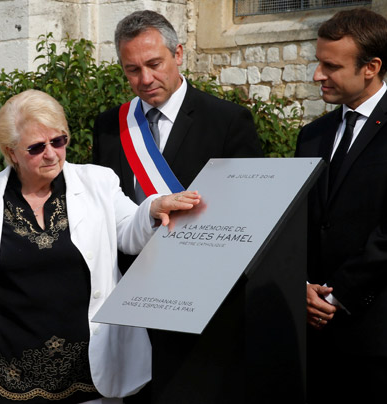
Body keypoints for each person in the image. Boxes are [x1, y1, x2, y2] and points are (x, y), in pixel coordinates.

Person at [0, 89, 200, 404]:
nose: (51, 154)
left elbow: (129, 232)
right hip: (9, 377)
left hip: (88, 373)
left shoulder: (97, 183)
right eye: (36, 148)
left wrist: (151, 208)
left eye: (58, 141)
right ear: (11, 152)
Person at [92, 10, 262, 403]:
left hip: (204, 301)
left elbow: (247, 215)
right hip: (136, 298)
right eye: (132, 70)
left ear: (179, 54)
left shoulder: (227, 120)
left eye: (154, 64)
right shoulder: (110, 125)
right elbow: (109, 208)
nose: (145, 79)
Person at [294, 8, 387, 403]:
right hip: (313, 335)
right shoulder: (312, 134)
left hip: (376, 336)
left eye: (330, 66)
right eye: (318, 62)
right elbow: (301, 220)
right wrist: (301, 288)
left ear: (371, 67)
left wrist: (336, 296)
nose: (318, 75)